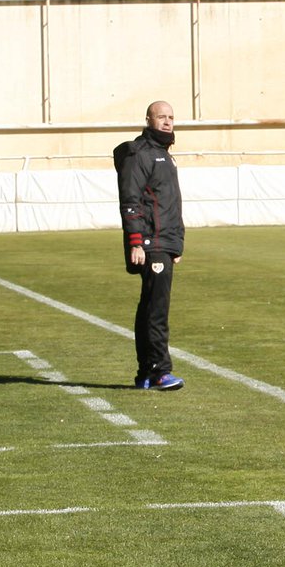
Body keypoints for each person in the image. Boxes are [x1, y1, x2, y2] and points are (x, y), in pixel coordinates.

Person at [114, 100, 185, 391]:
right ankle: (158, 371)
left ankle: (146, 372)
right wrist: (136, 242)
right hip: (149, 242)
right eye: (161, 117)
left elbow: (169, 205)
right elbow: (131, 202)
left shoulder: (164, 155)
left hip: (162, 243)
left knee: (151, 307)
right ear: (148, 119)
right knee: (156, 310)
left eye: (171, 117)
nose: (167, 122)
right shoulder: (140, 154)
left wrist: (175, 245)